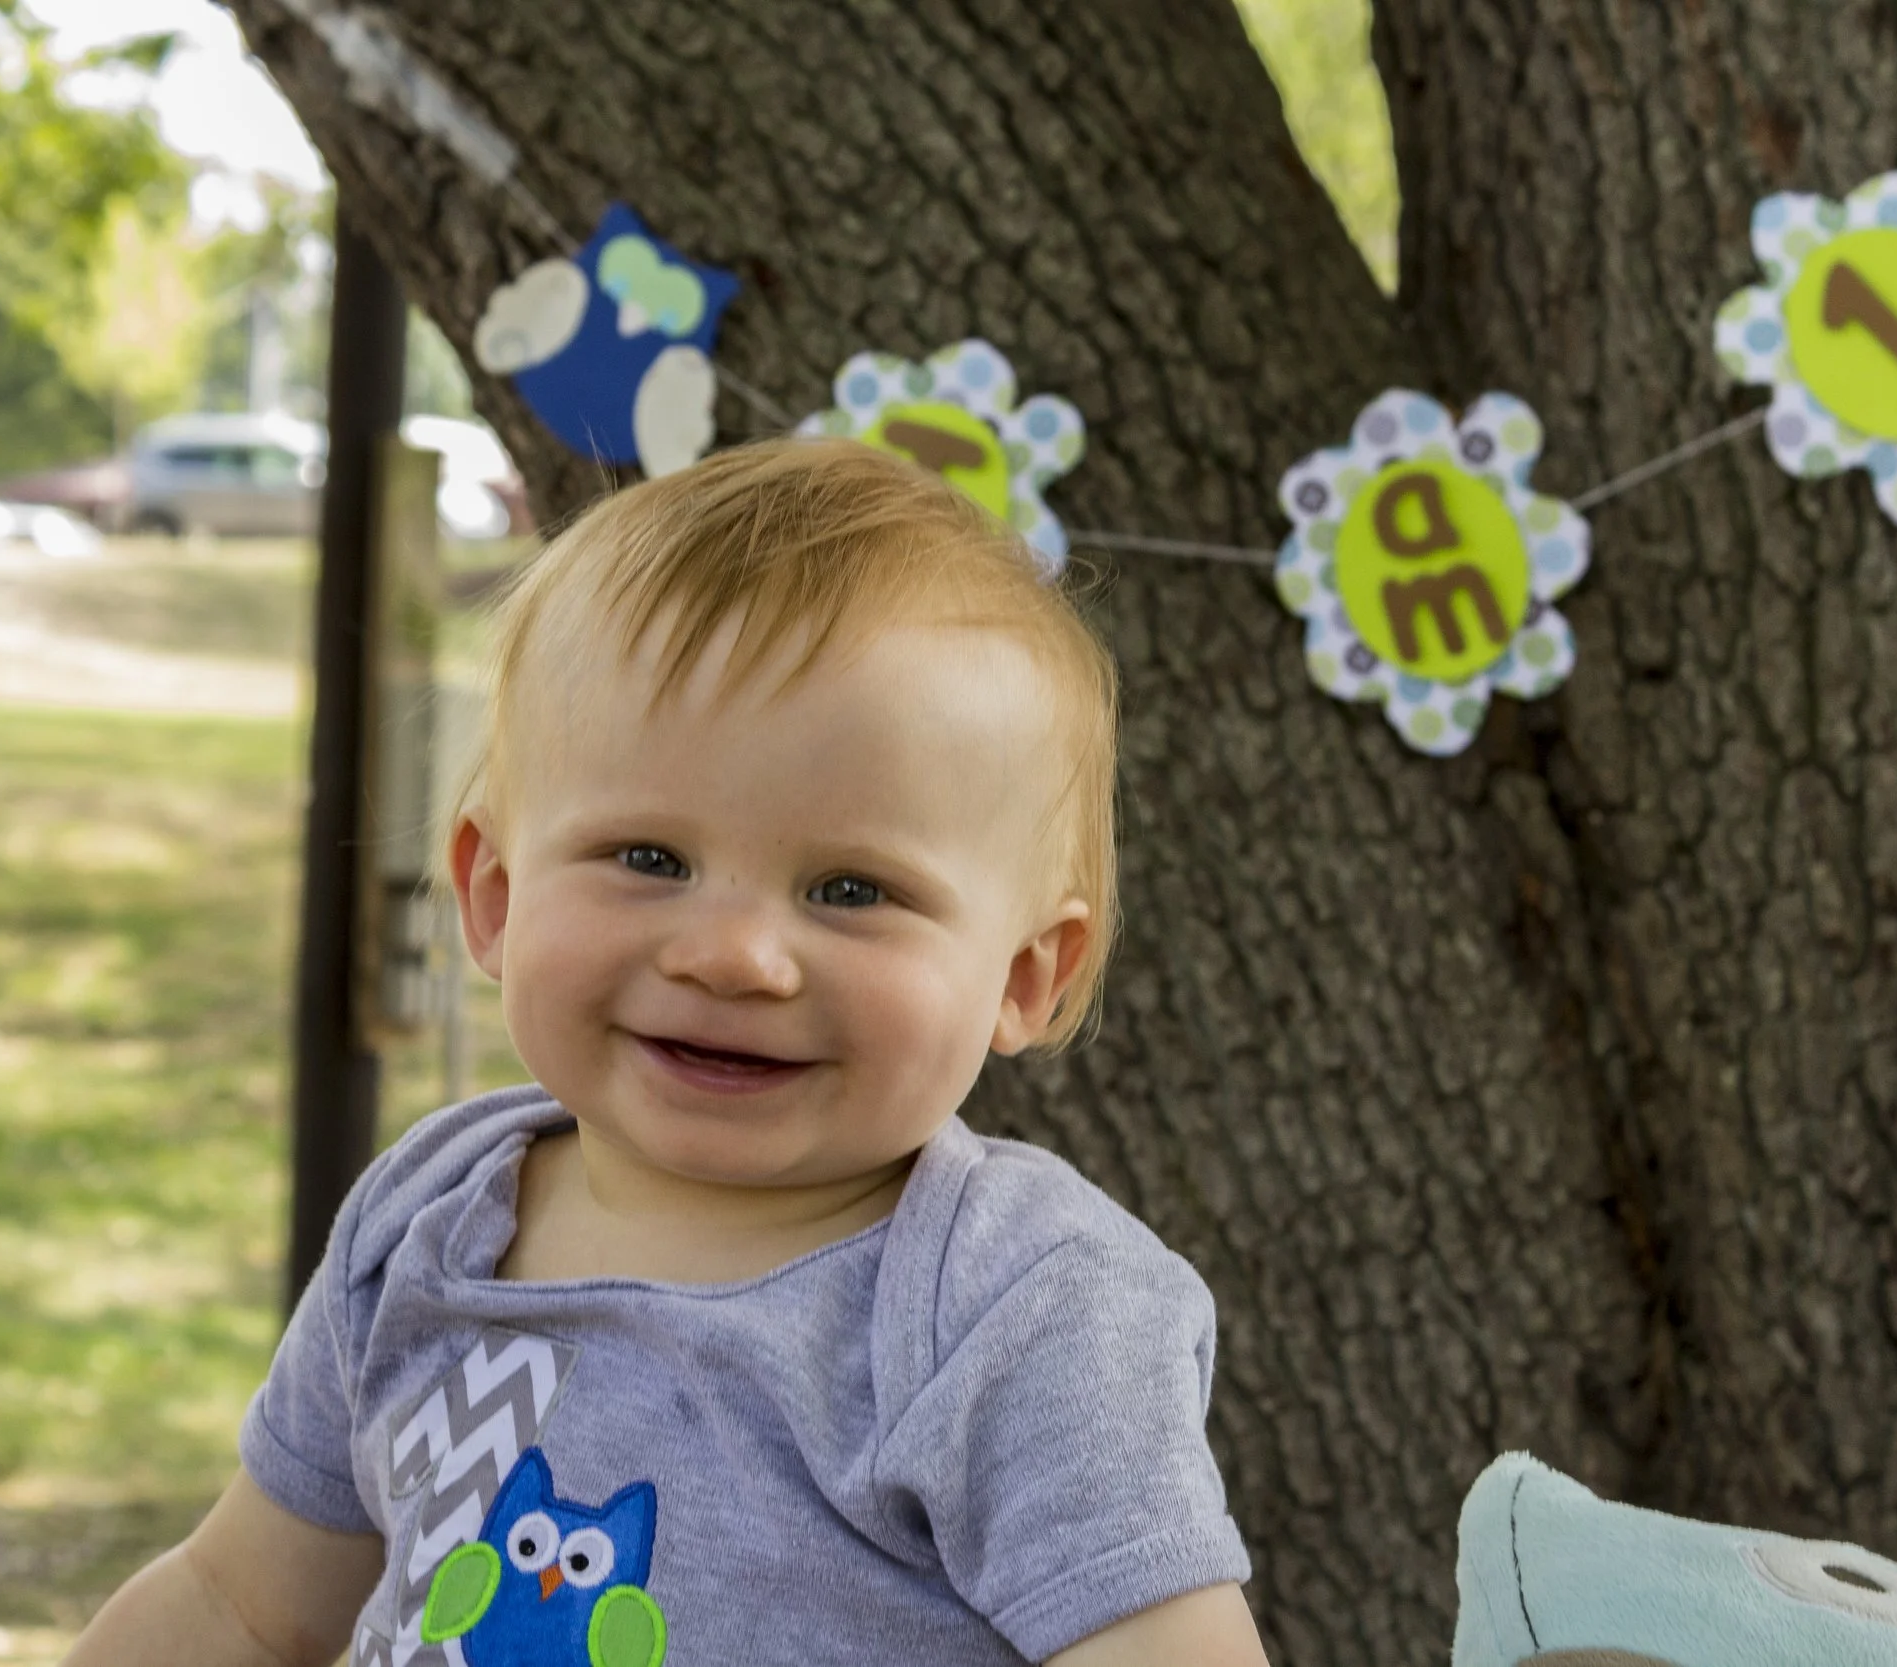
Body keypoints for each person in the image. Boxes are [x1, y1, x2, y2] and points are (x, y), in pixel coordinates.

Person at [63, 439, 1271, 1667]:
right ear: (493, 893)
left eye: (852, 888)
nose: (734, 955)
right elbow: (240, 1603)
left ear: (1024, 975)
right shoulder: (426, 1217)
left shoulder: (1010, 1305)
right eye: (649, 859)